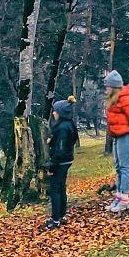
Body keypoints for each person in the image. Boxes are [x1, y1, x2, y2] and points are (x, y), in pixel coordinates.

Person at [103, 70, 129, 213]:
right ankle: (119, 197)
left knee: (125, 167)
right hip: (117, 136)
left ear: (114, 86)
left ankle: (125, 199)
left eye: (107, 86)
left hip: (125, 136)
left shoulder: (126, 98)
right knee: (119, 167)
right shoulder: (115, 99)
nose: (106, 89)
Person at [45, 97, 79, 230]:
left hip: (60, 162)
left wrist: (52, 166)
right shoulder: (69, 124)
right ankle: (61, 215)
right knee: (61, 187)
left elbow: (60, 149)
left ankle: (55, 219)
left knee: (55, 189)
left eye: (55, 111)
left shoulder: (62, 128)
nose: (53, 113)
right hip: (67, 159)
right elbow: (64, 144)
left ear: (61, 112)